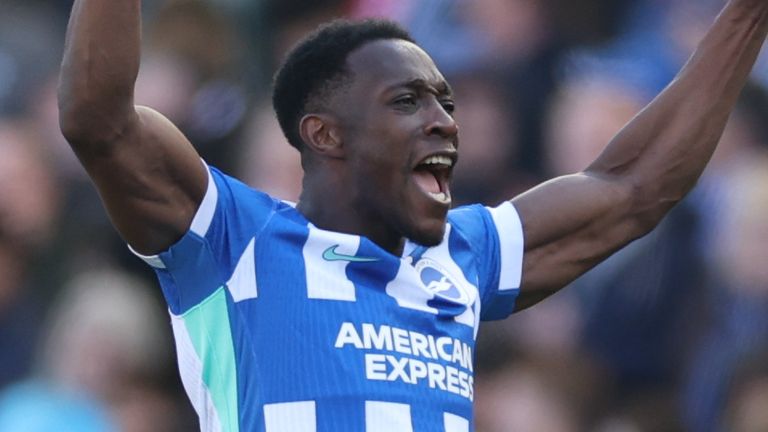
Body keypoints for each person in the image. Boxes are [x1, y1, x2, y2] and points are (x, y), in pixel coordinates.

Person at [57, 0, 768, 430]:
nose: (444, 124)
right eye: (408, 103)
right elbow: (99, 119)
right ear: (324, 134)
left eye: (446, 105)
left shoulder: (462, 256)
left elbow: (635, 187)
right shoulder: (234, 239)